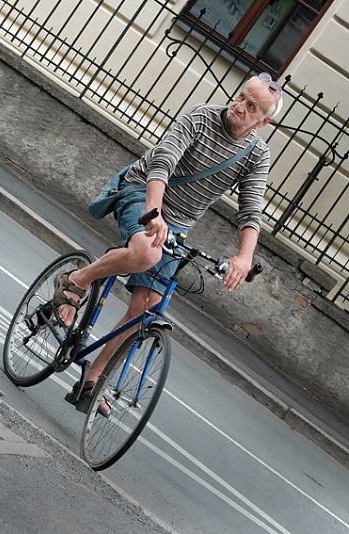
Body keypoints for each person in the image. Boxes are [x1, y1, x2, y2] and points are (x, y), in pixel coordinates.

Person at [59, 73, 283, 414]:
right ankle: (77, 280)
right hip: (141, 193)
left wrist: (244, 257)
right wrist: (154, 213)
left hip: (178, 224)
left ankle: (94, 378)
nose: (238, 107)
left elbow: (251, 208)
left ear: (263, 121)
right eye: (240, 97)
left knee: (147, 305)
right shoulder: (202, 117)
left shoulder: (256, 155)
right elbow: (163, 160)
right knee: (145, 253)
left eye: (251, 107)